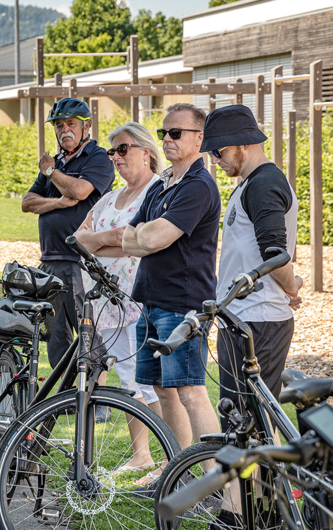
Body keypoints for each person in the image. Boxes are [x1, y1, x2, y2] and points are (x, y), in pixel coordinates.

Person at [122, 103, 222, 486]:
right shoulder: (164, 182)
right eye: (164, 132)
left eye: (176, 133)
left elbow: (154, 236)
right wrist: (142, 237)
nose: (167, 139)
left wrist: (145, 236)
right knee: (164, 389)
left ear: (200, 138)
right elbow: (130, 237)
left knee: (191, 391)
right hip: (151, 300)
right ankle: (177, 469)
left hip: (184, 304)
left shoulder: (198, 185)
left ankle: (216, 484)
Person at [71, 122, 162, 473]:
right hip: (106, 301)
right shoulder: (111, 196)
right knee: (127, 378)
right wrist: (109, 240)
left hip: (139, 299)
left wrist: (103, 239)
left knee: (152, 380)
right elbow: (79, 239)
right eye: (112, 151)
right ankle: (142, 454)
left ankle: (172, 454)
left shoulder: (155, 191)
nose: (115, 157)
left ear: (145, 151)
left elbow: (135, 238)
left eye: (122, 149)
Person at [203, 105, 303, 416]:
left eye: (219, 151)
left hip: (259, 320)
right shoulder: (249, 183)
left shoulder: (264, 183)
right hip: (244, 317)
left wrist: (292, 287)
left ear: (245, 143)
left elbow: (275, 254)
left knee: (251, 421)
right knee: (239, 421)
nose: (214, 160)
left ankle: (267, 469)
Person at [21, 98, 115, 369]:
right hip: (49, 260)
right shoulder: (58, 161)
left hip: (79, 262)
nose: (64, 131)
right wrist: (58, 202)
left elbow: (80, 191)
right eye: (59, 125)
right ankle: (63, 401)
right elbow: (27, 203)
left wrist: (50, 172)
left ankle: (98, 408)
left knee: (87, 338)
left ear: (87, 125)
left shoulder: (98, 158)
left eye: (71, 124)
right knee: (56, 338)